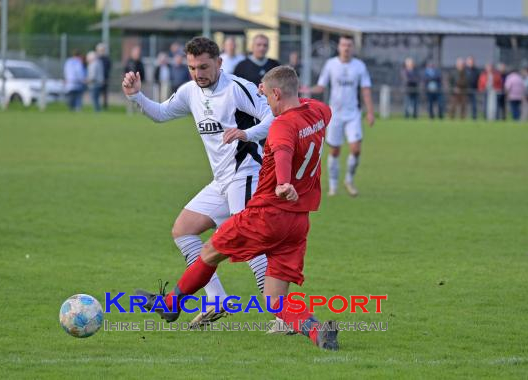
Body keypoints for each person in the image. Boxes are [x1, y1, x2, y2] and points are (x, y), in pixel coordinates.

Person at [134, 66, 339, 351]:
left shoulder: (282, 126)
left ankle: (170, 305)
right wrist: (270, 89)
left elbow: (282, 152)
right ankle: (318, 332)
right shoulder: (318, 112)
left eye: (267, 96)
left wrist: (282, 183)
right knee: (275, 301)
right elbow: (317, 107)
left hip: (267, 214)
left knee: (208, 253)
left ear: (277, 94)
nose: (265, 102)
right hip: (298, 222)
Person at [122, 37, 273, 325]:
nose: (198, 73)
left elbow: (272, 117)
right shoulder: (190, 90)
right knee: (183, 230)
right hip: (222, 181)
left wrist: (247, 134)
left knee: (251, 245)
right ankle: (215, 300)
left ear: (219, 63)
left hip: (247, 174)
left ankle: (282, 315)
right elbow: (162, 113)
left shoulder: (237, 88)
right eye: (192, 68)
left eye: (204, 67)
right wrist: (136, 96)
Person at [305, 35, 374, 197]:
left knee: (356, 149)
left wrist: (370, 112)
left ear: (353, 48)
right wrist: (305, 90)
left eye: (349, 45)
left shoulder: (359, 66)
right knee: (334, 151)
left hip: (353, 114)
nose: (346, 48)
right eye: (343, 45)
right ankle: (333, 187)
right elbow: (321, 87)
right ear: (339, 47)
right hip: (335, 114)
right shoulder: (331, 65)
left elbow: (365, 89)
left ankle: (349, 180)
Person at [96, 43, 112, 110]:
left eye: (102, 50)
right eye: (100, 50)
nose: (101, 51)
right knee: (96, 93)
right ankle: (97, 107)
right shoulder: (96, 59)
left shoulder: (107, 59)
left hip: (105, 79)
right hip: (97, 80)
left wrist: (106, 77)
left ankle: (105, 107)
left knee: (105, 94)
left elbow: (108, 68)